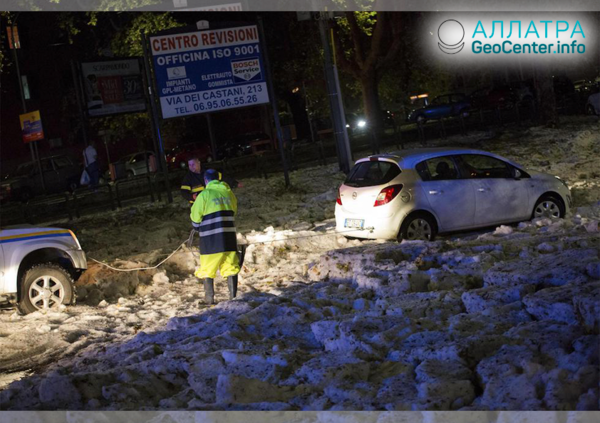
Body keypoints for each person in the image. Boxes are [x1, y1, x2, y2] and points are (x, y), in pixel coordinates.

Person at [191, 169, 240, 304]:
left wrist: (196, 226)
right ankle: (233, 297)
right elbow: (234, 210)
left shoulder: (204, 194)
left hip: (210, 238)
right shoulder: (229, 193)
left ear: (206, 181)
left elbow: (196, 215)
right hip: (228, 235)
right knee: (231, 265)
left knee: (207, 268)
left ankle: (209, 299)